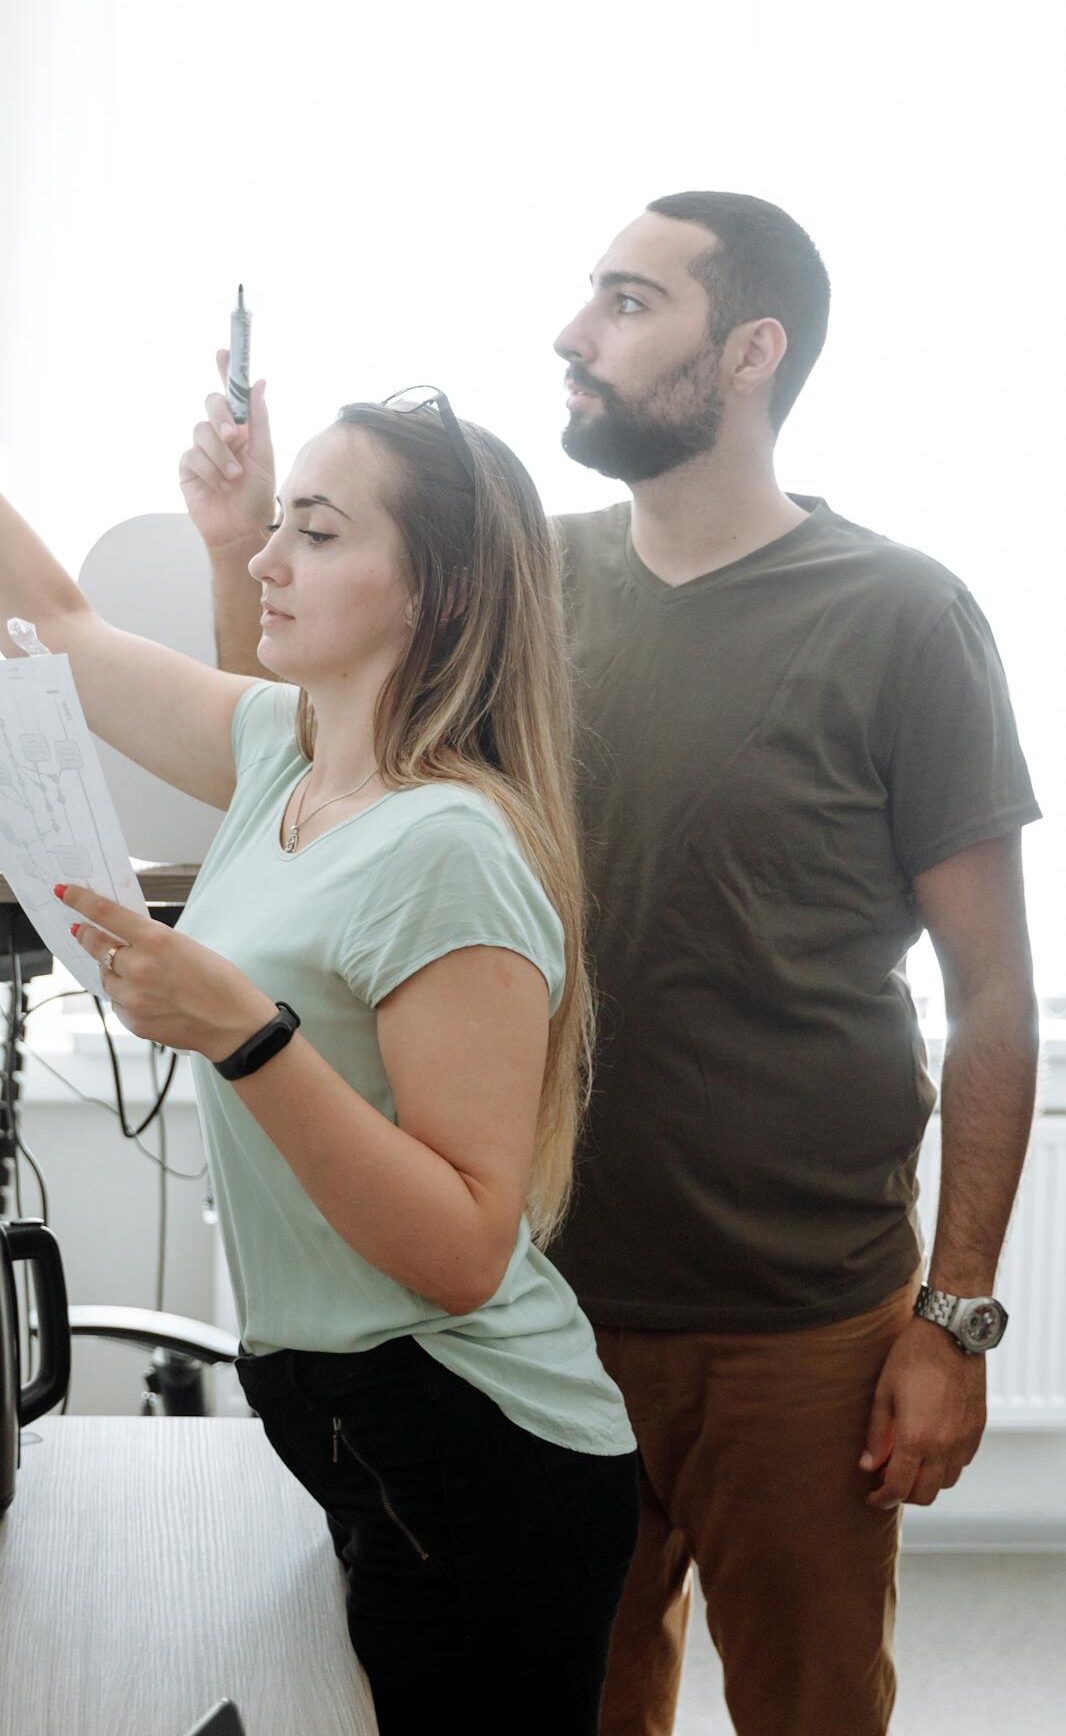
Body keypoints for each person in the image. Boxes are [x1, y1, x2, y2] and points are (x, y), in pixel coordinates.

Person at [192, 192, 1041, 1736]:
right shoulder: (515, 587)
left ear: (748, 352)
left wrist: (955, 1316)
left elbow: (993, 995)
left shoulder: (902, 618)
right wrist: (238, 539)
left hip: (799, 1325)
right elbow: (291, 759)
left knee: (812, 1712)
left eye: (628, 301)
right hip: (525, 1317)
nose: (572, 334)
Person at [0, 266, 639, 1732]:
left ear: (433, 587)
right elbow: (56, 633)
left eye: (314, 534)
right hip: (341, 1410)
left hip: (471, 1439)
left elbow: (464, 1248)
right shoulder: (289, 750)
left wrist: (240, 1032)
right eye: (276, 523)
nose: (266, 559)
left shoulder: (446, 848)